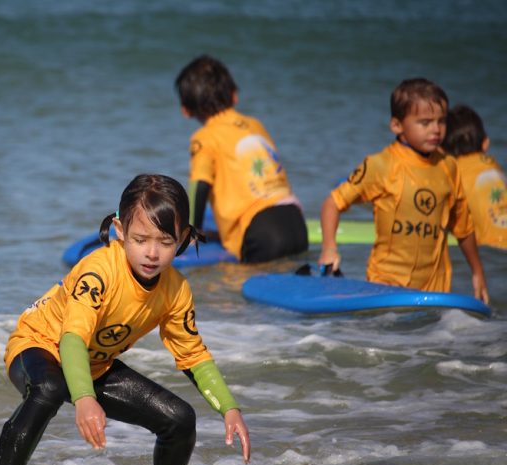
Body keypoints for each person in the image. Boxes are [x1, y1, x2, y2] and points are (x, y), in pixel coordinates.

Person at [0, 174, 251, 465]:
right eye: (140, 240)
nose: (152, 252)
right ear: (121, 231)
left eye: (165, 241)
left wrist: (228, 407)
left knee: (178, 419)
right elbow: (72, 338)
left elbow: (192, 354)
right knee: (49, 389)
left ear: (183, 238)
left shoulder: (175, 290)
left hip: (94, 363)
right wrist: (84, 398)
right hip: (38, 345)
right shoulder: (99, 271)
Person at [318, 78, 489, 303]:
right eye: (425, 122)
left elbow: (464, 228)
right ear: (397, 126)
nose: (436, 130)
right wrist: (329, 248)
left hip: (435, 293)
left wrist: (477, 272)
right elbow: (333, 203)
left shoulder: (448, 167)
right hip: (386, 289)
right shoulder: (381, 165)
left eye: (441, 121)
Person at [174, 54, 308, 263]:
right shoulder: (255, 124)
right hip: (297, 223)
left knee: (235, 287)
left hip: (262, 232)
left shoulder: (204, 137)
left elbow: (200, 184)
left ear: (186, 110)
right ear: (234, 95)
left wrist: (192, 231)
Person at [442, 104, 507, 250]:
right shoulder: (494, 167)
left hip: (492, 251)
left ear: (442, 151)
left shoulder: (453, 174)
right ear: (485, 144)